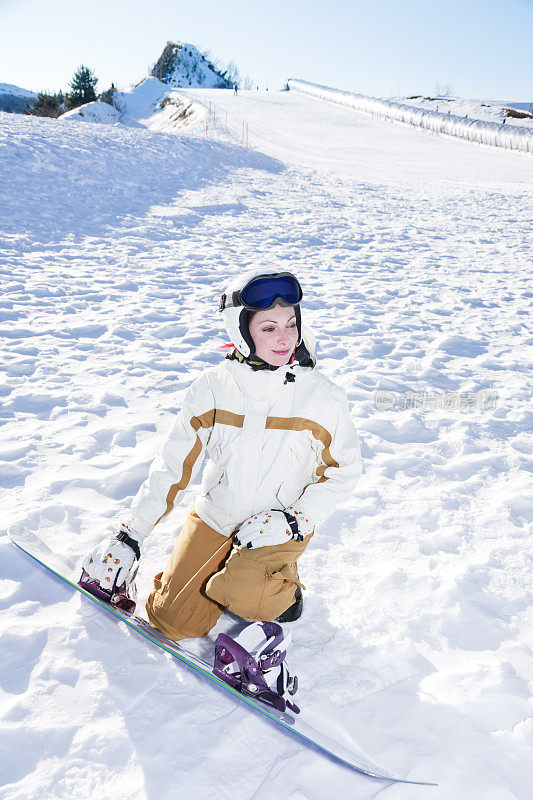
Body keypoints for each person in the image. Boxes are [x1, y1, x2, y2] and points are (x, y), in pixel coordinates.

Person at [80, 269, 363, 640]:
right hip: (218, 515)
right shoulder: (212, 389)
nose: (285, 338)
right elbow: (173, 466)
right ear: (241, 333)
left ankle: (279, 587)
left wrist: (295, 520)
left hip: (277, 523)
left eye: (291, 324)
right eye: (268, 328)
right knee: (171, 622)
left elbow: (343, 471)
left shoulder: (322, 396)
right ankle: (224, 573)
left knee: (252, 599)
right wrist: (131, 533)